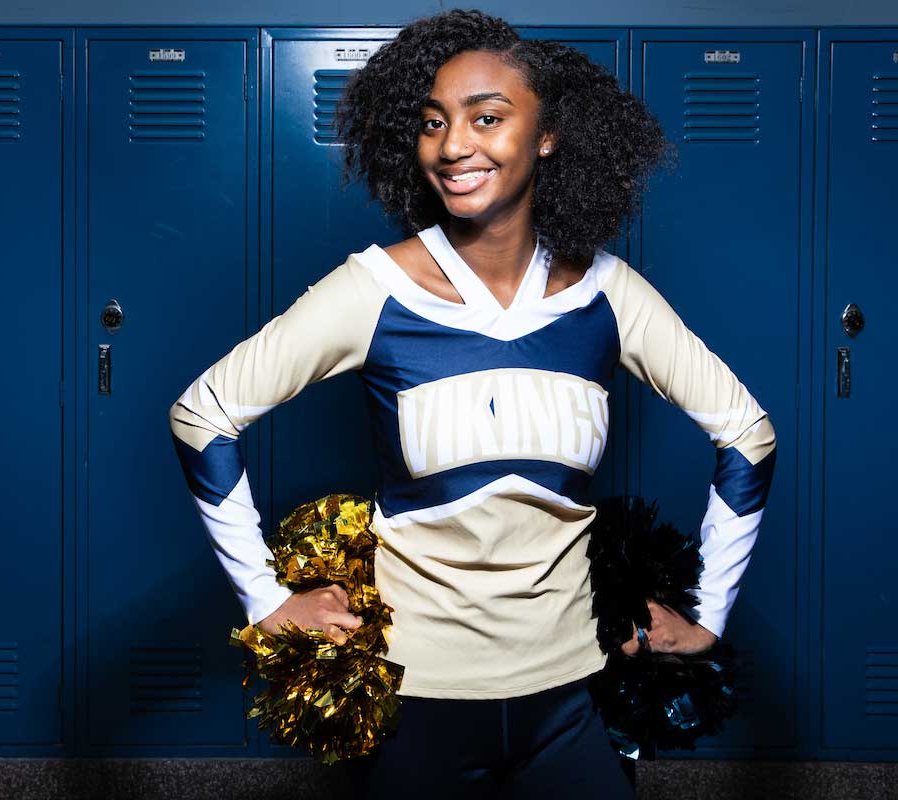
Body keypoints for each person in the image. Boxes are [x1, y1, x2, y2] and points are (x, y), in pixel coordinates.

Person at [167, 9, 776, 799]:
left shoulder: (608, 294)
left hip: (571, 696)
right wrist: (264, 599)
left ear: (547, 135)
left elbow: (747, 434)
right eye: (432, 123)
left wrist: (710, 613)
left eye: (486, 118)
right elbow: (203, 414)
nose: (453, 146)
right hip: (420, 700)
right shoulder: (374, 290)